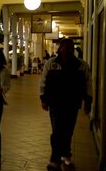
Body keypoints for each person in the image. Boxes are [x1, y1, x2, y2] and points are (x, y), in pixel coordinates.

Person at [39, 38, 92, 171]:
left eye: (70, 48)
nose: (67, 50)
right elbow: (43, 82)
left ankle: (66, 155)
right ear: (60, 48)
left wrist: (88, 100)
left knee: (68, 130)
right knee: (57, 131)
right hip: (55, 104)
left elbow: (88, 84)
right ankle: (55, 159)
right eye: (65, 47)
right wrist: (43, 99)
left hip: (72, 104)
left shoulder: (82, 65)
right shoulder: (51, 64)